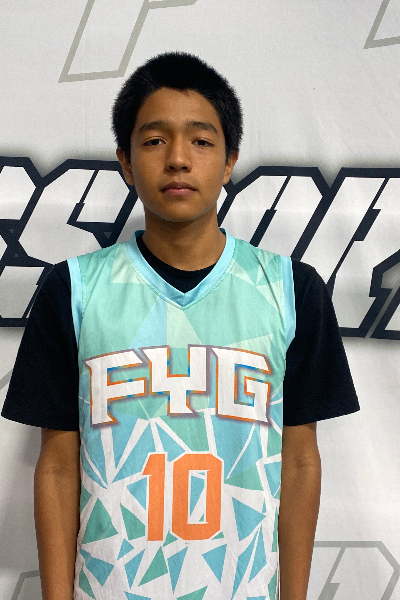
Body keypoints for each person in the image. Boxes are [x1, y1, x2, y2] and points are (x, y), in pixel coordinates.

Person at [2, 52, 359, 600]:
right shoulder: (73, 289)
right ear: (125, 161)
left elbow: (299, 460)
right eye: (154, 140)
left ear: (230, 160)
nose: (177, 159)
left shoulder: (292, 289)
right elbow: (57, 466)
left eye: (200, 140)